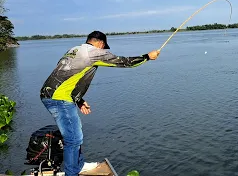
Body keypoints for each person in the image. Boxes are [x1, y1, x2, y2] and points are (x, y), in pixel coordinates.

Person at [40, 31, 160, 176]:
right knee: (73, 139)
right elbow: (124, 62)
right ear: (101, 43)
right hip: (60, 98)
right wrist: (147, 57)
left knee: (75, 130)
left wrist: (78, 100)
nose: (103, 50)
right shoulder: (94, 53)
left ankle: (79, 165)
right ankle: (71, 173)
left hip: (48, 94)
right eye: (104, 47)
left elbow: (67, 75)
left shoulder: (73, 50)